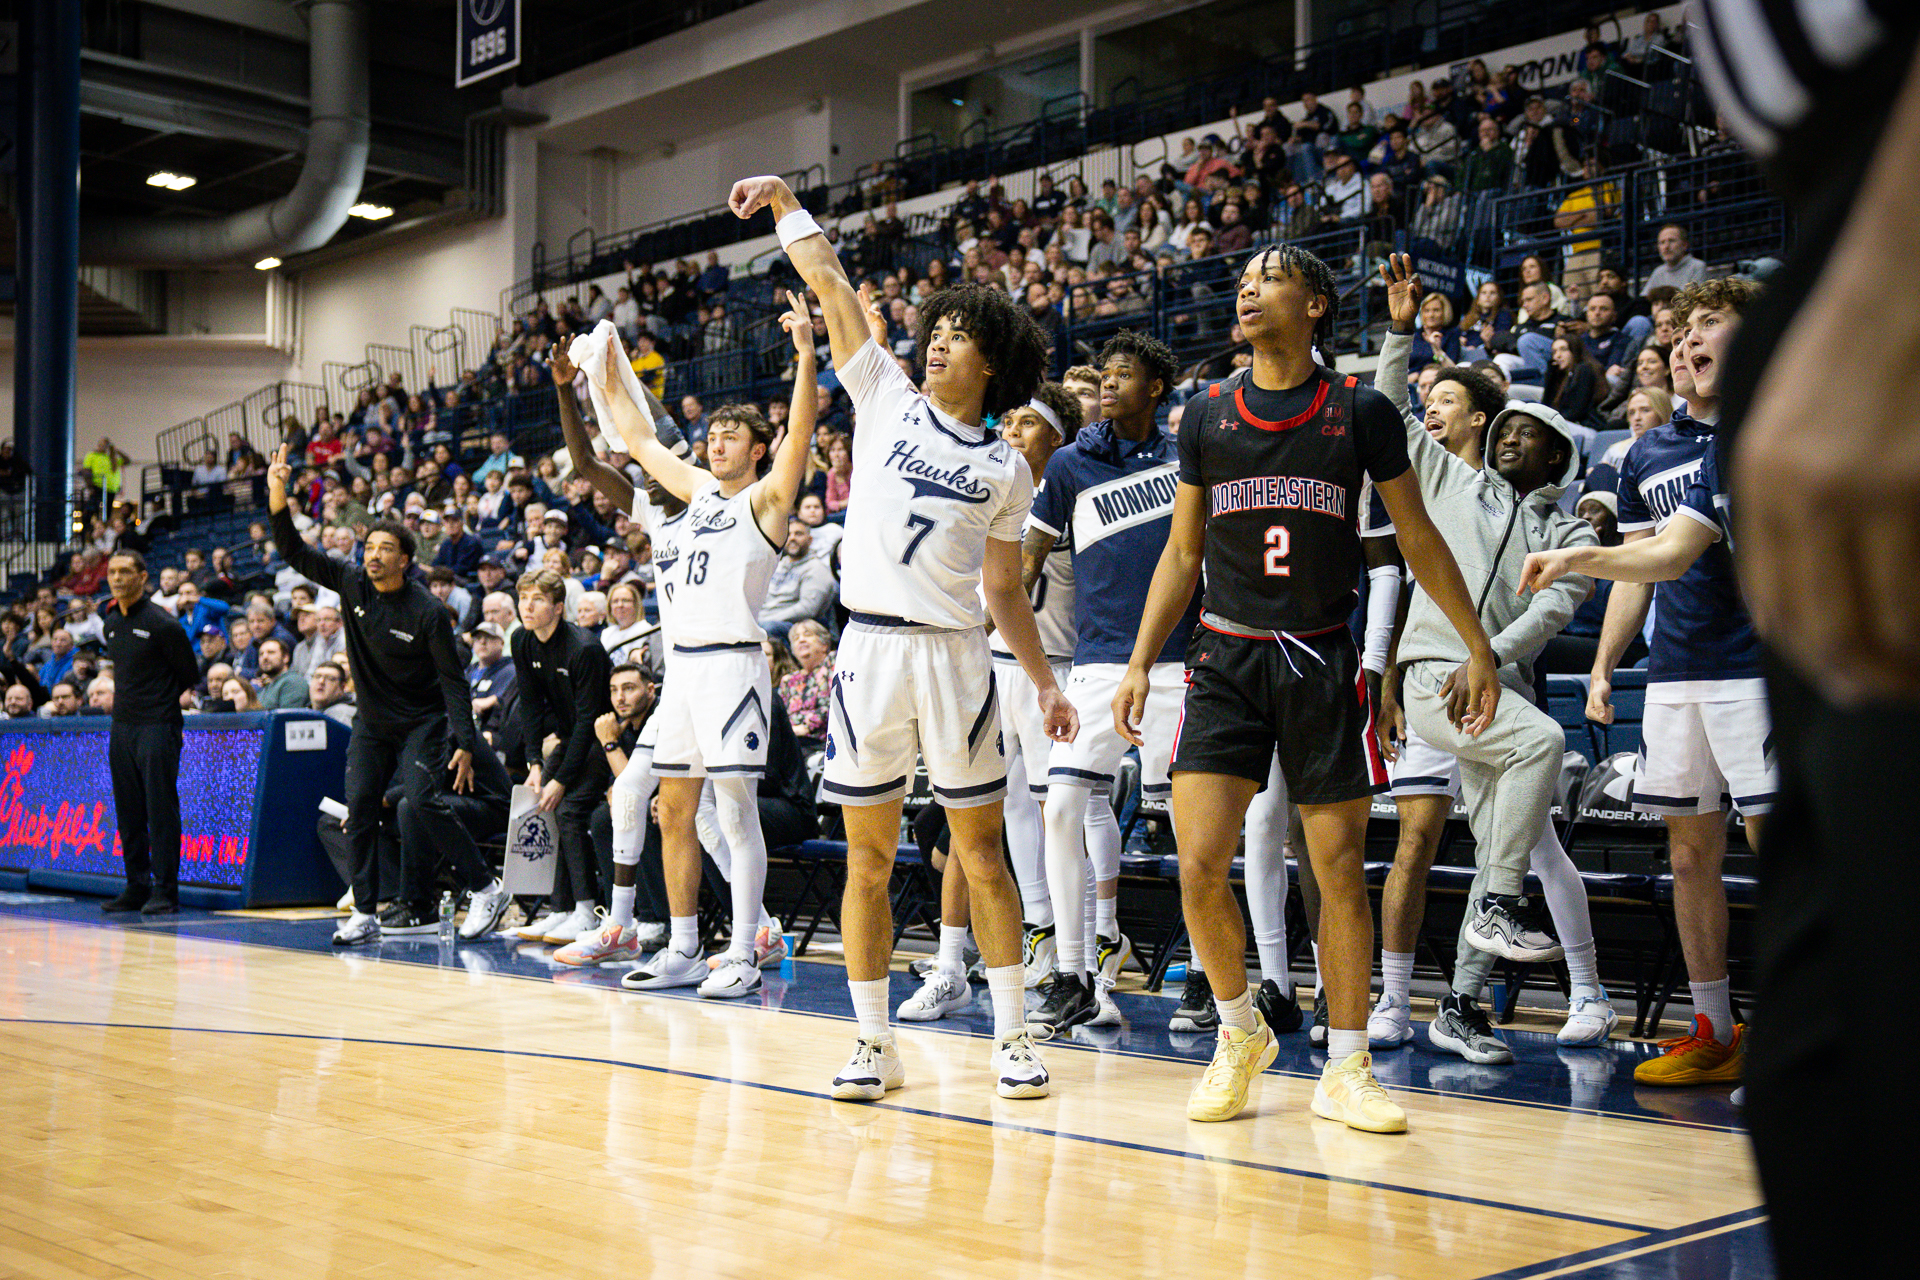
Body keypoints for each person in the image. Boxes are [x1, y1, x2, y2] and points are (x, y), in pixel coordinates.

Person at [1114, 243, 1498, 1131]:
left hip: (1323, 659)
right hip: (1225, 658)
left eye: (1272, 277)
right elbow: (1183, 550)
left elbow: (1417, 536)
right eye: (1244, 280)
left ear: (1317, 303)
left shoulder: (1359, 410)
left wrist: (1475, 644)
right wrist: (1139, 659)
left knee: (1337, 871)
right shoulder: (1206, 414)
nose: (1249, 289)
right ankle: (1238, 1029)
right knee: (1199, 865)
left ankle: (1348, 1065)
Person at [729, 170, 1073, 1101]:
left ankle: (1012, 1036)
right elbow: (832, 285)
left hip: (956, 657)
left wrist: (1044, 683)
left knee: (982, 855)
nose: (938, 344)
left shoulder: (1007, 468)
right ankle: (873, 1042)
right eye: (935, 332)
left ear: (992, 362)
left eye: (957, 336)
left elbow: (1004, 588)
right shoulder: (883, 391)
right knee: (870, 859)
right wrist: (786, 203)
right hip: (871, 651)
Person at [1371, 255, 1617, 1059]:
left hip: (1493, 690)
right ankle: (1502, 909)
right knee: (1544, 742)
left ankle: (1460, 1006)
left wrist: (1491, 658)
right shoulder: (1446, 479)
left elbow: (1556, 607)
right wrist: (1401, 332)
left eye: (1527, 435)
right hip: (1436, 678)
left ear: (1557, 458)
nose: (1510, 439)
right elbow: (1386, 410)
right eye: (1504, 429)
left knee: (1497, 845)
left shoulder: (1565, 529)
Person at [591, 291, 813, 998]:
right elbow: (639, 440)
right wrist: (607, 374)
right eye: (712, 434)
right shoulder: (696, 492)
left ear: (756, 450)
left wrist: (807, 358)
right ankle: (685, 947)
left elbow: (801, 435)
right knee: (676, 812)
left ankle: (746, 950)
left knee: (736, 813)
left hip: (733, 668)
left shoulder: (766, 501)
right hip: (684, 674)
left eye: (730, 436)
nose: (716, 443)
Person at [1585, 279, 1774, 1086]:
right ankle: (1714, 1029)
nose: (1687, 340)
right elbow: (1639, 571)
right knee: (1690, 856)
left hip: (1757, 665)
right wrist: (1603, 665)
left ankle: (1810, 1031)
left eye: (1710, 324)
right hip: (1675, 671)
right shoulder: (1647, 452)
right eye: (1681, 330)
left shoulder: (1770, 425)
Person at [1016, 333, 1203, 1040]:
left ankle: (1207, 975)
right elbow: (1030, 557)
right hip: (1095, 665)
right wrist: (997, 623)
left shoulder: (1186, 457)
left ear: (1157, 387)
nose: (1110, 385)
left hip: (1180, 662)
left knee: (1195, 830)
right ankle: (1074, 976)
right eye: (1106, 375)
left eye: (1126, 375)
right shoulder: (1070, 463)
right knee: (1062, 808)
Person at [267, 445, 494, 947]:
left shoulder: (427, 612)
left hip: (422, 722)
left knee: (422, 800)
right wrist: (277, 492)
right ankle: (366, 911)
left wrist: (464, 741)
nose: (373, 555)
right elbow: (294, 552)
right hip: (372, 723)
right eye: (369, 547)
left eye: (385, 548)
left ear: (406, 560)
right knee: (360, 808)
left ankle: (485, 887)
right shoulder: (352, 584)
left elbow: (454, 681)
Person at [543, 337, 693, 963]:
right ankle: (623, 925)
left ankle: (752, 931)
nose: (646, 478)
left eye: (657, 468)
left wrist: (622, 375)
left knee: (718, 819)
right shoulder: (655, 515)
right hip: (682, 680)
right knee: (629, 794)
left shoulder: (714, 503)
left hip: (723, 670)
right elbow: (584, 463)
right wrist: (567, 388)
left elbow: (657, 434)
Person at [98, 551, 201, 916]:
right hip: (122, 726)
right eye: (112, 572)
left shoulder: (162, 623)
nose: (117, 578)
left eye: (125, 571)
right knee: (128, 810)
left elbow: (189, 673)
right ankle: (136, 885)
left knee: (160, 808)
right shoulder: (111, 622)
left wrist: (158, 702)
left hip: (158, 724)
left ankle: (166, 890)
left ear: (143, 577)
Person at [757, 518, 836, 643]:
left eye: (798, 534)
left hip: (793, 625)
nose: (792, 538)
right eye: (788, 534)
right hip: (763, 619)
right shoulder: (777, 565)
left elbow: (807, 609)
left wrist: (767, 619)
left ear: (810, 540)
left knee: (768, 627)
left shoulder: (816, 569)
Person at [1642, 224, 1708, 295]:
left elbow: (1695, 298)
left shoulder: (1697, 267)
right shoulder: (1658, 272)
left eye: (1671, 241)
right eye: (1662, 242)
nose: (1666, 247)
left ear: (1684, 245)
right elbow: (1645, 298)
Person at [253, 637, 309, 709]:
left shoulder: (292, 681)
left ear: (285, 657)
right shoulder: (265, 686)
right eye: (261, 654)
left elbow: (288, 715)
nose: (265, 657)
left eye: (271, 652)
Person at [308, 660, 355, 726]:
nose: (321, 681)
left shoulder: (344, 715)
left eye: (330, 678)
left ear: (342, 687)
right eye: (317, 676)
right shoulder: (305, 711)